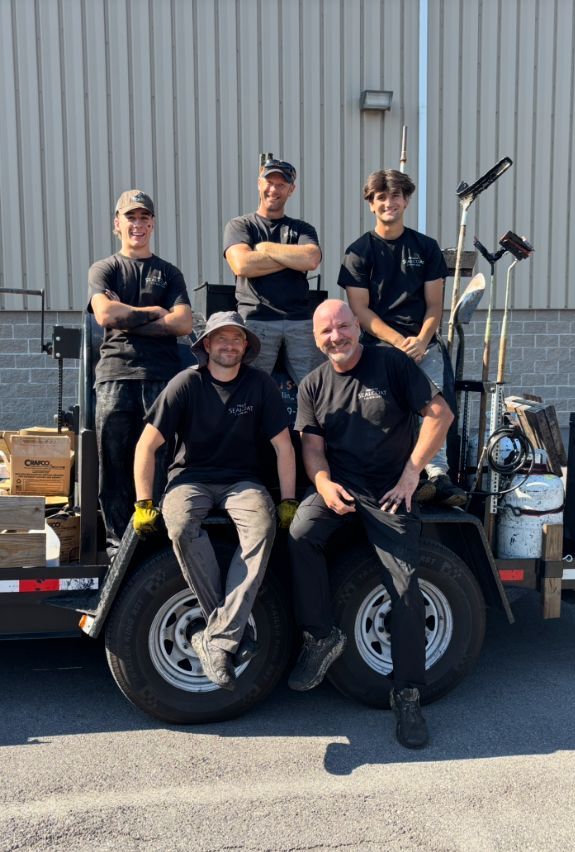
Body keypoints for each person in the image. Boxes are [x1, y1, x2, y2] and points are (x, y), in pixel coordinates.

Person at [287, 300, 454, 749]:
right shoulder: (313, 385)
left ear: (357, 327)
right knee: (300, 534)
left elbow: (440, 415)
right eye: (326, 331)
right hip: (339, 488)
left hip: (388, 492)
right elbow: (312, 448)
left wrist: (411, 473)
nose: (335, 336)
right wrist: (321, 483)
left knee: (404, 587)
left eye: (343, 326)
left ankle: (408, 694)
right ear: (316, 339)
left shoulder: (391, 363)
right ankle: (322, 638)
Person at [133, 311, 297, 691]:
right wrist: (144, 502)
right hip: (190, 479)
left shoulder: (260, 385)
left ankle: (218, 639)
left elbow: (283, 447)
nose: (228, 345)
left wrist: (287, 500)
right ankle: (228, 635)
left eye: (236, 339)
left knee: (262, 526)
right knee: (180, 523)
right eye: (220, 339)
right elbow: (147, 446)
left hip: (243, 482)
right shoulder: (186, 383)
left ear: (246, 346)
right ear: (206, 345)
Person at [338, 168, 466, 507]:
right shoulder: (358, 252)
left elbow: (435, 304)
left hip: (425, 345)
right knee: (384, 414)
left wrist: (422, 341)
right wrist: (398, 343)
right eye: (381, 197)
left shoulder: (425, 247)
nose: (388, 203)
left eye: (395, 196)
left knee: (435, 410)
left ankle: (438, 478)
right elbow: (361, 311)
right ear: (371, 204)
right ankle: (396, 474)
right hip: (379, 347)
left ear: (406, 200)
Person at [88, 189, 193, 559]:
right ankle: (119, 545)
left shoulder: (169, 272)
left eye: (144, 217)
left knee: (163, 462)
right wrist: (155, 311)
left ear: (152, 223)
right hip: (116, 377)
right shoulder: (105, 269)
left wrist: (131, 317)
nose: (137, 224)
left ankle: (157, 543)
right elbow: (105, 316)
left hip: (162, 378)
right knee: (115, 465)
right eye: (130, 217)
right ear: (118, 224)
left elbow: (183, 323)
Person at [223, 157, 322, 384]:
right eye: (269, 182)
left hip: (300, 321)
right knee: (247, 390)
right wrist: (291, 258)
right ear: (259, 184)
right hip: (257, 319)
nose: (273, 189)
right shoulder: (240, 225)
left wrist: (265, 248)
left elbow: (311, 259)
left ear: (291, 189)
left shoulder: (302, 228)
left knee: (318, 388)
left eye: (281, 184)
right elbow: (243, 265)